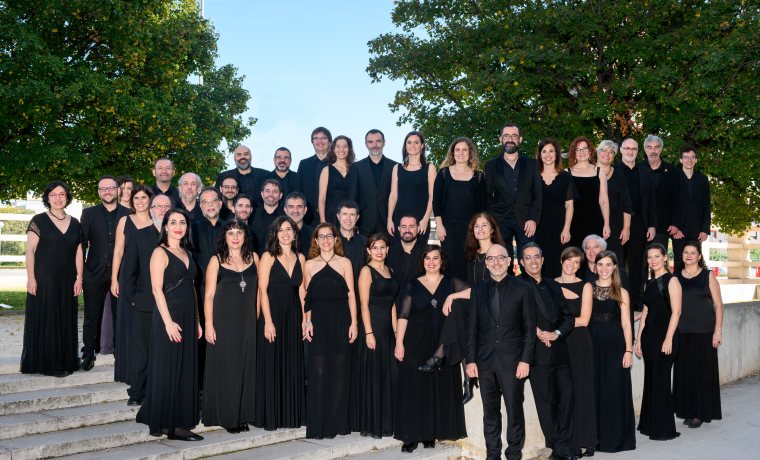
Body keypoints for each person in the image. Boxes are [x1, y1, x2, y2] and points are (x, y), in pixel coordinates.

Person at [465, 244, 536, 460]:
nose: (496, 262)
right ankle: (493, 454)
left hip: (513, 362)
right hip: (485, 362)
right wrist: (470, 360)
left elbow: (529, 329)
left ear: (508, 261)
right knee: (490, 413)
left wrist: (525, 360)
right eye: (491, 259)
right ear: (486, 264)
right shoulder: (478, 290)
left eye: (500, 258)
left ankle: (514, 454)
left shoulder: (523, 288)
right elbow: (472, 329)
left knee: (514, 411)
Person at [136, 209, 202, 440]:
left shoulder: (187, 252)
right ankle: (170, 425)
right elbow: (156, 290)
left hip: (187, 317)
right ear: (165, 226)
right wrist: (168, 323)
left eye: (182, 222)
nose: (178, 226)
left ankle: (181, 420)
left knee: (184, 368)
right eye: (173, 222)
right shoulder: (159, 252)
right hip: (169, 317)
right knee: (168, 368)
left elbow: (191, 288)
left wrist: (197, 320)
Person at [394, 245, 468, 453]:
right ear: (423, 262)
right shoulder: (412, 284)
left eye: (436, 258)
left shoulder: (451, 282)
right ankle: (410, 436)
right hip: (415, 342)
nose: (432, 262)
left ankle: (429, 434)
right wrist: (399, 343)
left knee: (437, 389)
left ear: (442, 261)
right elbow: (403, 316)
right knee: (414, 389)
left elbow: (475, 293)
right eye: (427, 258)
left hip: (442, 343)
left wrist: (453, 296)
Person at [517, 244, 576, 460]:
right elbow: (513, 316)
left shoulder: (553, 285)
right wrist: (538, 332)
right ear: (521, 262)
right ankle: (557, 447)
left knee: (567, 397)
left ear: (542, 260)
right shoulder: (516, 285)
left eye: (536, 257)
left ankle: (563, 443)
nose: (533, 261)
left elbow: (568, 317)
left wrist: (556, 333)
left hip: (559, 349)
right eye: (528, 258)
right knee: (546, 402)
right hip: (536, 352)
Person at [202, 219, 259, 433]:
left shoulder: (254, 258)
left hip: (248, 321)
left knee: (246, 367)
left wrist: (258, 318)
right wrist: (208, 324)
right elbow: (208, 295)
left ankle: (243, 414)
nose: (235, 237)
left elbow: (260, 291)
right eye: (231, 233)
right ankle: (228, 417)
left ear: (245, 236)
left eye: (239, 232)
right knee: (228, 368)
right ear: (224, 237)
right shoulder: (215, 260)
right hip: (223, 321)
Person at [21, 181, 83, 377]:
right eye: (53, 194)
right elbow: (30, 251)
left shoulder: (75, 223)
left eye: (62, 194)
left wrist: (79, 278)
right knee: (48, 320)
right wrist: (31, 278)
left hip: (68, 280)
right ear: (47, 198)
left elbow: (79, 252)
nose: (58, 198)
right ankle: (49, 365)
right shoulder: (38, 220)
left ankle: (64, 361)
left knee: (65, 319)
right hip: (44, 279)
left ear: (67, 197)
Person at [302, 223, 358, 439]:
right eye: (321, 237)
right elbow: (307, 297)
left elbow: (351, 295)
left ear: (336, 239)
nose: (325, 240)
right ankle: (319, 424)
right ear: (316, 241)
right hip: (318, 322)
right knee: (318, 372)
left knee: (339, 372)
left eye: (329, 236)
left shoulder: (345, 263)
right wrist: (307, 322)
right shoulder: (309, 264)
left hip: (341, 321)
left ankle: (337, 423)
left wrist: (354, 323)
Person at [255, 216, 307, 430]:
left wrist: (305, 320)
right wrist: (268, 321)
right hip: (273, 314)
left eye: (289, 229)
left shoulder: (301, 257)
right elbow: (262, 290)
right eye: (281, 230)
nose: (285, 233)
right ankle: (271, 416)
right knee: (272, 363)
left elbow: (302, 292)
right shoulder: (268, 256)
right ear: (275, 234)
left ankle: (289, 415)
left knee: (291, 363)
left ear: (294, 234)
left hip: (293, 315)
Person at [121, 194, 171, 406]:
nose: (162, 209)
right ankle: (137, 392)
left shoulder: (180, 236)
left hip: (173, 304)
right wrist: (134, 298)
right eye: (158, 206)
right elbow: (128, 272)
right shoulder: (139, 236)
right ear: (151, 210)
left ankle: (163, 389)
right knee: (142, 350)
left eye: (166, 206)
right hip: (145, 303)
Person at [80, 176, 131, 371]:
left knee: (121, 315)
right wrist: (82, 271)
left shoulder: (129, 213)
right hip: (94, 273)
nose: (107, 192)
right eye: (103, 189)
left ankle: (121, 352)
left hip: (121, 273)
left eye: (111, 188)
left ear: (118, 190)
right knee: (91, 315)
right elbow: (82, 244)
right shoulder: (89, 213)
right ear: (99, 192)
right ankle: (88, 353)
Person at [588, 250, 635, 453]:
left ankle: (616, 439)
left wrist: (628, 350)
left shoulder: (621, 292)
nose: (604, 269)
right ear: (595, 267)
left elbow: (626, 324)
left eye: (608, 264)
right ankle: (595, 439)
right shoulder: (588, 289)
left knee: (614, 390)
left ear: (615, 267)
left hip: (616, 346)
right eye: (600, 264)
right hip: (592, 344)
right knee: (595, 390)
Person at [673, 241, 723, 428]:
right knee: (685, 374)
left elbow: (719, 305)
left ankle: (700, 413)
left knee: (702, 373)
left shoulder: (707, 275)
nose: (688, 255)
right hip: (682, 332)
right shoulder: (675, 277)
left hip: (705, 333)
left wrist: (718, 331)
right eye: (686, 252)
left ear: (699, 256)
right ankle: (688, 410)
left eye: (693, 252)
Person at [635, 243, 682, 441]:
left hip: (666, 338)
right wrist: (638, 339)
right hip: (649, 339)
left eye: (656, 256)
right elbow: (646, 312)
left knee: (661, 382)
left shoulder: (672, 280)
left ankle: (663, 429)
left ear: (665, 257)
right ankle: (649, 425)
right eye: (649, 257)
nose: (653, 260)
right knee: (651, 380)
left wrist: (668, 338)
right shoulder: (648, 283)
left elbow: (676, 312)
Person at [555, 247, 596, 457]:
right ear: (561, 261)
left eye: (576, 262)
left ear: (580, 266)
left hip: (579, 341)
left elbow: (584, 320)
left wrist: (556, 329)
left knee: (582, 390)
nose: (571, 265)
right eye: (568, 261)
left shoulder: (585, 285)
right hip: (559, 343)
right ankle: (568, 440)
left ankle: (585, 440)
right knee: (564, 394)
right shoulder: (550, 283)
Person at [484, 123, 542, 273]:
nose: (510, 139)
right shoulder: (490, 166)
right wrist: (492, 220)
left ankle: (530, 286)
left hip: (526, 220)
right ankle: (506, 287)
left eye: (514, 136)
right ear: (501, 139)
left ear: (520, 139)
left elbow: (537, 194)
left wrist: (533, 218)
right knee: (503, 259)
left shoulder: (532, 164)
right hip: (500, 220)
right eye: (506, 136)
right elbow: (487, 196)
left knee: (529, 259)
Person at [357, 233, 399, 438]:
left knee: (388, 374)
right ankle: (374, 424)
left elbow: (392, 305)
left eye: (382, 247)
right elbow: (363, 305)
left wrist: (396, 332)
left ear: (387, 249)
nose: (379, 251)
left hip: (388, 331)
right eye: (375, 248)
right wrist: (369, 332)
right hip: (372, 328)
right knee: (374, 376)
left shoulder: (390, 271)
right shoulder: (366, 271)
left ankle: (388, 422)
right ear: (368, 251)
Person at [111, 185, 154, 384]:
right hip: (128, 276)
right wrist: (114, 279)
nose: (140, 201)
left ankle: (147, 371)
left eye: (144, 198)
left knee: (144, 327)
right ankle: (128, 370)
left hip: (150, 277)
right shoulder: (124, 221)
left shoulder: (158, 221)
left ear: (150, 200)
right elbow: (118, 251)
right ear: (131, 201)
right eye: (136, 198)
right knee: (128, 323)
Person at [433, 136, 487, 280]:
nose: (461, 153)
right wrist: (439, 225)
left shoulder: (479, 177)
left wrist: (480, 228)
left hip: (471, 229)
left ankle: (469, 293)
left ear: (470, 153)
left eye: (464, 150)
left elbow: (483, 207)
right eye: (457, 150)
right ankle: (451, 293)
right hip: (448, 229)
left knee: (470, 263)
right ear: (452, 153)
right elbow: (436, 202)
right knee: (450, 263)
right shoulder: (443, 174)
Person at [335, 200, 367, 431]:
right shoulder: (328, 241)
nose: (348, 218)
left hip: (361, 308)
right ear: (338, 216)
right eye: (344, 214)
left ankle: (356, 414)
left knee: (357, 362)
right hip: (335, 308)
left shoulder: (365, 243)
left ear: (357, 218)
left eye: (352, 214)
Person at [191, 186, 225, 391]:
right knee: (203, 338)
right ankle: (203, 387)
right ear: (200, 205)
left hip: (227, 293)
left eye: (214, 201)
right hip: (201, 291)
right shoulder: (191, 228)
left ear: (220, 204)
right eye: (205, 202)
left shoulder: (231, 228)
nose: (210, 205)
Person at [616, 138, 657, 312]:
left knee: (638, 264)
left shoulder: (645, 172)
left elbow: (651, 201)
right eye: (627, 148)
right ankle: (618, 300)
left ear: (637, 151)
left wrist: (652, 225)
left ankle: (636, 301)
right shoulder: (613, 170)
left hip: (640, 223)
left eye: (633, 149)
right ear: (621, 150)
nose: (630, 151)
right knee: (617, 262)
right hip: (618, 223)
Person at [534, 138, 576, 279]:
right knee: (540, 263)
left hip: (559, 227)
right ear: (539, 155)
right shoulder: (533, 176)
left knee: (559, 262)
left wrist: (567, 229)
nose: (548, 155)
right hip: (538, 228)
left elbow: (569, 205)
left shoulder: (565, 177)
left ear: (556, 154)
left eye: (551, 151)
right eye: (544, 151)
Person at [387, 131, 437, 240]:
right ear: (405, 146)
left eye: (416, 142)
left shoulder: (430, 168)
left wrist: (425, 219)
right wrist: (389, 219)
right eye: (409, 142)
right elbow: (393, 195)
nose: (412, 145)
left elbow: (432, 196)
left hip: (421, 219)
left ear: (422, 146)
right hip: (400, 219)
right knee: (398, 249)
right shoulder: (397, 168)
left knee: (420, 249)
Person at [567, 137, 610, 248]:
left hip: (595, 220)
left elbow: (604, 201)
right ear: (573, 153)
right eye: (578, 149)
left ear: (590, 151)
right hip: (573, 222)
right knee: (575, 254)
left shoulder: (599, 172)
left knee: (594, 253)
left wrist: (606, 224)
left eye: (585, 148)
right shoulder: (566, 173)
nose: (581, 152)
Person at [673, 146, 711, 272]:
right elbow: (669, 204)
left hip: (697, 231)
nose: (689, 160)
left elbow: (706, 205)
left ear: (696, 160)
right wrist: (675, 228)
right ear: (681, 160)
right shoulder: (673, 177)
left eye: (692, 157)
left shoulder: (703, 179)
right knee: (679, 263)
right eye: (686, 157)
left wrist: (705, 229)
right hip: (679, 231)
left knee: (695, 264)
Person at [354, 129, 397, 236]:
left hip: (389, 223)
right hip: (364, 223)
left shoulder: (395, 167)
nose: (375, 145)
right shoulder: (356, 167)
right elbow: (353, 196)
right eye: (370, 142)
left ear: (384, 142)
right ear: (366, 144)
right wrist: (355, 223)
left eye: (378, 141)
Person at [642, 134, 681, 249]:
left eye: (656, 147)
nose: (653, 151)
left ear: (661, 149)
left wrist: (675, 223)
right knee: (639, 259)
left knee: (658, 257)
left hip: (663, 226)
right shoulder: (637, 169)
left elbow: (677, 199)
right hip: (640, 225)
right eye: (649, 147)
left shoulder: (672, 171)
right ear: (645, 149)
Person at [596, 140, 632, 265]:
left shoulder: (619, 176)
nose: (607, 154)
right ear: (597, 152)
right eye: (603, 150)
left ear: (614, 155)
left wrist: (626, 228)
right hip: (592, 223)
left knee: (614, 261)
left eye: (611, 152)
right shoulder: (589, 172)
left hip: (614, 227)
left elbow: (626, 204)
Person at [318, 135, 358, 225]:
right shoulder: (326, 170)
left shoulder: (356, 169)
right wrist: (322, 220)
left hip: (351, 217)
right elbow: (322, 198)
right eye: (338, 146)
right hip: (332, 216)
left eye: (345, 146)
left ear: (349, 149)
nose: (341, 150)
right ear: (333, 149)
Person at [297, 127, 331, 225]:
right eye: (316, 138)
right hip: (308, 217)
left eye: (323, 138)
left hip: (332, 215)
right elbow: (298, 191)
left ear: (330, 141)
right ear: (312, 142)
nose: (319, 141)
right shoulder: (304, 164)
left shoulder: (337, 164)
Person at [464, 212, 506, 286]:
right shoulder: (471, 254)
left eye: (484, 225)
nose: (480, 229)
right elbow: (470, 283)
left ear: (492, 230)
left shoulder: (499, 252)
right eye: (476, 226)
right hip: (475, 293)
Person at [387, 215, 427, 289]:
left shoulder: (427, 252)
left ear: (418, 229)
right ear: (399, 229)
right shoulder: (388, 252)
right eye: (403, 227)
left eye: (411, 227)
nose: (407, 230)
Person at [250, 179, 284, 253]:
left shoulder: (286, 216)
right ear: (262, 194)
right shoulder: (251, 214)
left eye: (275, 191)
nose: (271, 194)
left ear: (280, 195)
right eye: (267, 191)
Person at [283, 191, 313, 257]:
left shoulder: (314, 233)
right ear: (285, 210)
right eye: (291, 207)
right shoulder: (276, 234)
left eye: (299, 207)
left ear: (305, 210)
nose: (295, 211)